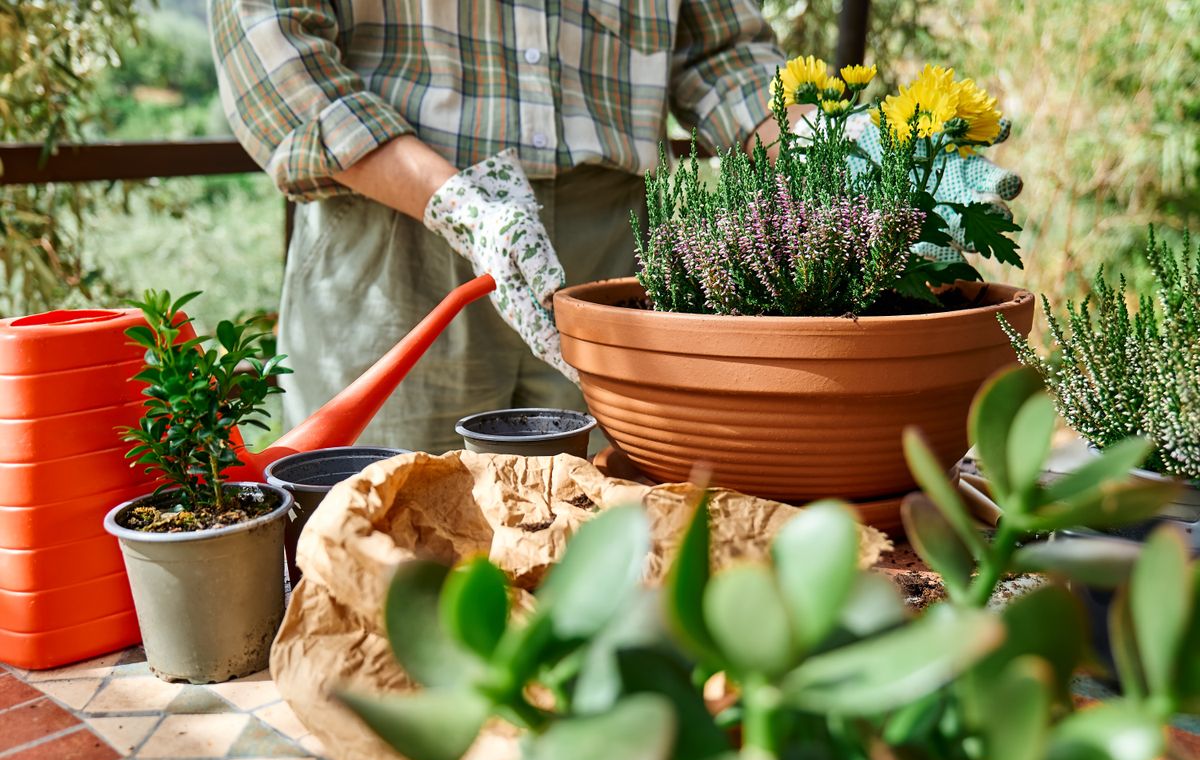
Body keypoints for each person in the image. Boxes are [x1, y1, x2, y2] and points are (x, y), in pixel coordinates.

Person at [210, 2, 1020, 454]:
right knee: (386, 541)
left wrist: (840, 157)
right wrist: (457, 201)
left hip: (616, 255)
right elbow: (271, 42)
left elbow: (724, 54)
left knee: (615, 535)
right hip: (396, 233)